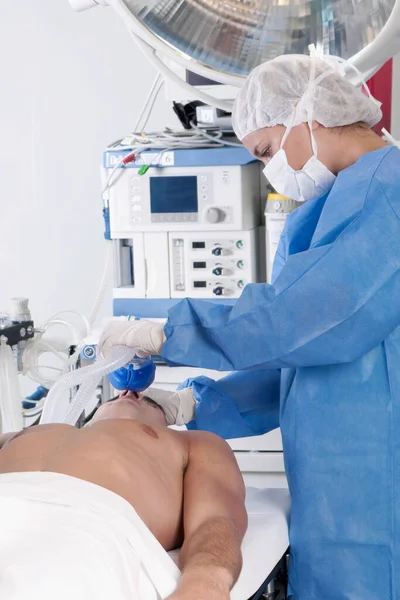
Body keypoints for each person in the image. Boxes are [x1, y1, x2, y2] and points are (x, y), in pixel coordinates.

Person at [98, 52, 400, 599]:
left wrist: (167, 332)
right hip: (333, 493)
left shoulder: (392, 195)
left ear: (311, 114)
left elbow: (306, 319)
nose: (269, 169)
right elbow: (292, 359)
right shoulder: (314, 215)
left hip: (381, 479)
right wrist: (194, 404)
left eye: (265, 151)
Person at [0, 390, 247, 600]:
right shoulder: (24, 433)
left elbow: (215, 518)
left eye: (150, 400)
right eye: (116, 394)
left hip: (85, 523)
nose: (128, 391)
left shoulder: (192, 443)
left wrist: (206, 581)